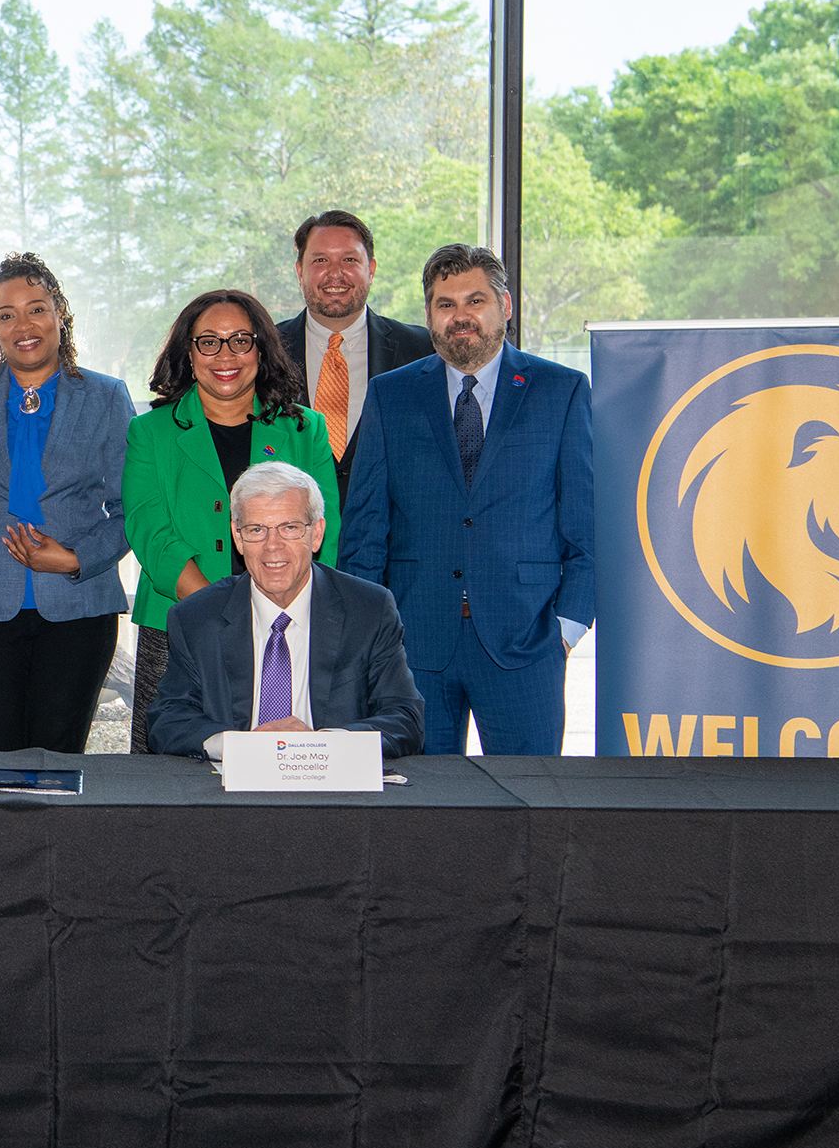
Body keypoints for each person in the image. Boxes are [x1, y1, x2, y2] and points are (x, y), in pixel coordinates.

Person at [341, 243, 594, 756]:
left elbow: (587, 528)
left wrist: (565, 629)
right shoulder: (391, 395)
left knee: (529, 805)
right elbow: (365, 528)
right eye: (445, 304)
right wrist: (368, 637)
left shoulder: (560, 390)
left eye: (474, 301)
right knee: (419, 810)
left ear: (505, 306)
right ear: (429, 314)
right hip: (412, 644)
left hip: (526, 641)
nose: (461, 317)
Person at [0, 252, 133, 754]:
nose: (23, 325)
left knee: (61, 752)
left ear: (60, 314)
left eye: (36, 309)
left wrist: (75, 558)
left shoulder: (107, 396)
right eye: (6, 315)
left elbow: (131, 508)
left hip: (81, 607)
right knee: (5, 754)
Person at [123, 290, 340, 754]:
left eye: (241, 340)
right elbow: (151, 533)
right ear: (188, 351)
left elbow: (325, 530)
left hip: (288, 627)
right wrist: (220, 613)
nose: (226, 355)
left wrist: (270, 614)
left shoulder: (307, 429)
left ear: (261, 349)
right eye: (209, 342)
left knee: (285, 762)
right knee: (171, 772)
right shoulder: (149, 433)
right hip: (177, 626)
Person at [145, 462, 423, 760]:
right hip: (230, 794)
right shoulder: (196, 617)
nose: (272, 546)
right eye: (256, 530)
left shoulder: (368, 609)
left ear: (316, 534)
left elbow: (404, 717)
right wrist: (237, 746)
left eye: (289, 528)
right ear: (237, 538)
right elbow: (168, 719)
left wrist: (322, 745)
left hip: (334, 794)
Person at [274, 210, 434, 501]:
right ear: (299, 271)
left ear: (371, 269)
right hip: (289, 537)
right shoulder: (264, 351)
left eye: (349, 260)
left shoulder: (422, 349)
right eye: (320, 260)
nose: (335, 273)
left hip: (390, 539)